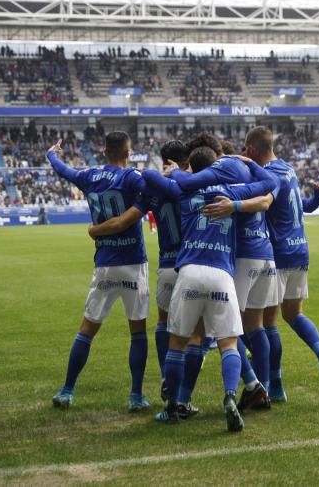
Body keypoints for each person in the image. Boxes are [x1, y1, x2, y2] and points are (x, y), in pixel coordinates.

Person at [143, 146, 278, 432]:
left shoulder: (182, 190)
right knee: (228, 342)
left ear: (194, 167)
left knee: (178, 342)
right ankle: (230, 396)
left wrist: (174, 171)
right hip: (222, 274)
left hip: (189, 271)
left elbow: (147, 176)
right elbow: (269, 184)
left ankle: (174, 406)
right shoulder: (233, 192)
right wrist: (249, 162)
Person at [87, 140, 207, 420]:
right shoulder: (191, 184)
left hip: (166, 265)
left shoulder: (153, 185)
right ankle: (185, 395)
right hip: (190, 263)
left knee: (164, 324)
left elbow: (137, 201)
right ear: (186, 159)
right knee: (196, 335)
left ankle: (167, 375)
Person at [46, 132, 152, 412]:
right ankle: (136, 396)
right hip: (132, 263)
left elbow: (62, 169)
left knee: (87, 329)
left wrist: (52, 153)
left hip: (104, 264)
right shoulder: (132, 178)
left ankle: (67, 390)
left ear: (104, 151)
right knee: (137, 332)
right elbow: (152, 189)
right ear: (128, 152)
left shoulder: (88, 176)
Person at [242, 125, 319, 403]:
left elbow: (262, 203)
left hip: (279, 254)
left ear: (251, 150)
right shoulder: (288, 169)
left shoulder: (269, 175)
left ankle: (276, 386)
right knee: (294, 314)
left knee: (268, 324)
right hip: (301, 251)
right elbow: (304, 206)